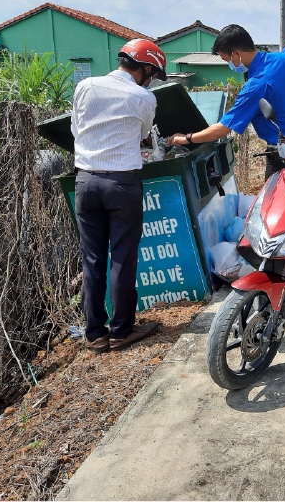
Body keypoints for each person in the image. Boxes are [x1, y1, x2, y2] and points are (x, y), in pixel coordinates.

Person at [71, 39, 167, 353]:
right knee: (123, 260)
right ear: (147, 68)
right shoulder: (143, 96)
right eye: (152, 73)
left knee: (93, 261)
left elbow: (76, 128)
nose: (151, 78)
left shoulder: (85, 85)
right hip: (122, 185)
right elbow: (142, 136)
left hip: (85, 183)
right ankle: (121, 331)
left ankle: (95, 335)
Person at [168, 24, 285, 179]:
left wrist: (186, 138)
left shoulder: (255, 86)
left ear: (237, 53)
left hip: (284, 155)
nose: (229, 65)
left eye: (227, 59)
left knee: (275, 202)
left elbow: (222, 129)